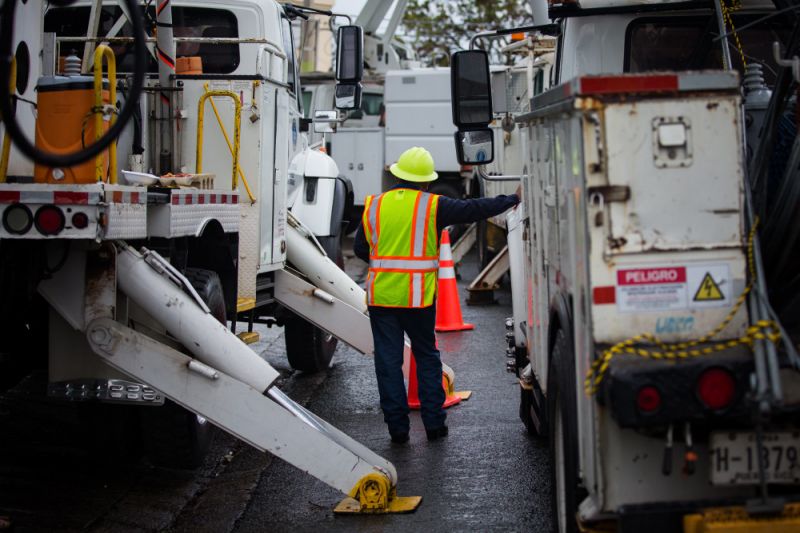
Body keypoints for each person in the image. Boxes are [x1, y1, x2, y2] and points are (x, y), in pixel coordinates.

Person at [353, 146, 520, 443]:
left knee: (388, 363)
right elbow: (475, 209)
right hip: (418, 299)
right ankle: (434, 425)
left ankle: (398, 429)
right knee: (426, 356)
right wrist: (513, 199)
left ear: (397, 176)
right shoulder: (433, 206)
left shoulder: (374, 205)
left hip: (382, 299)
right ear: (426, 182)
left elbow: (360, 250)